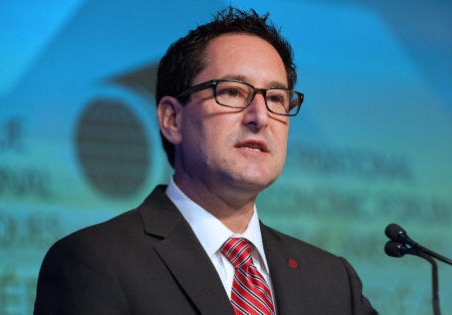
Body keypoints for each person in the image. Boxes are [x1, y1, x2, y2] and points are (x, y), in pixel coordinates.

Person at [34, 7, 377, 315]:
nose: (260, 116)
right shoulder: (95, 263)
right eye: (231, 92)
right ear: (172, 119)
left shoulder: (333, 281)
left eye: (275, 98)